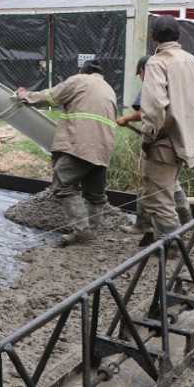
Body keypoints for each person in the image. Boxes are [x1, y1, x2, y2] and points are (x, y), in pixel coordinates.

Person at [16, 59, 117, 246]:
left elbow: (51, 96)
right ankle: (90, 232)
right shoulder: (108, 89)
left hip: (82, 144)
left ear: (82, 71)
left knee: (63, 182)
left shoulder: (79, 80)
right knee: (95, 194)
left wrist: (24, 95)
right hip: (104, 148)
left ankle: (82, 231)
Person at [138, 15, 194, 244]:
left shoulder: (157, 62)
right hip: (185, 139)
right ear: (179, 35)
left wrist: (149, 136)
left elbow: (155, 106)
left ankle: (171, 247)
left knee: (159, 200)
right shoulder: (192, 61)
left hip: (163, 141)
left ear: (154, 38)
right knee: (168, 189)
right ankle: (165, 239)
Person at [116, 55, 192, 238]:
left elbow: (146, 110)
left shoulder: (152, 81)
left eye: (140, 74)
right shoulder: (175, 83)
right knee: (172, 183)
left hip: (156, 143)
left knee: (148, 180)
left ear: (143, 70)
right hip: (177, 143)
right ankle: (188, 222)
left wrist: (125, 118)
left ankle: (159, 234)